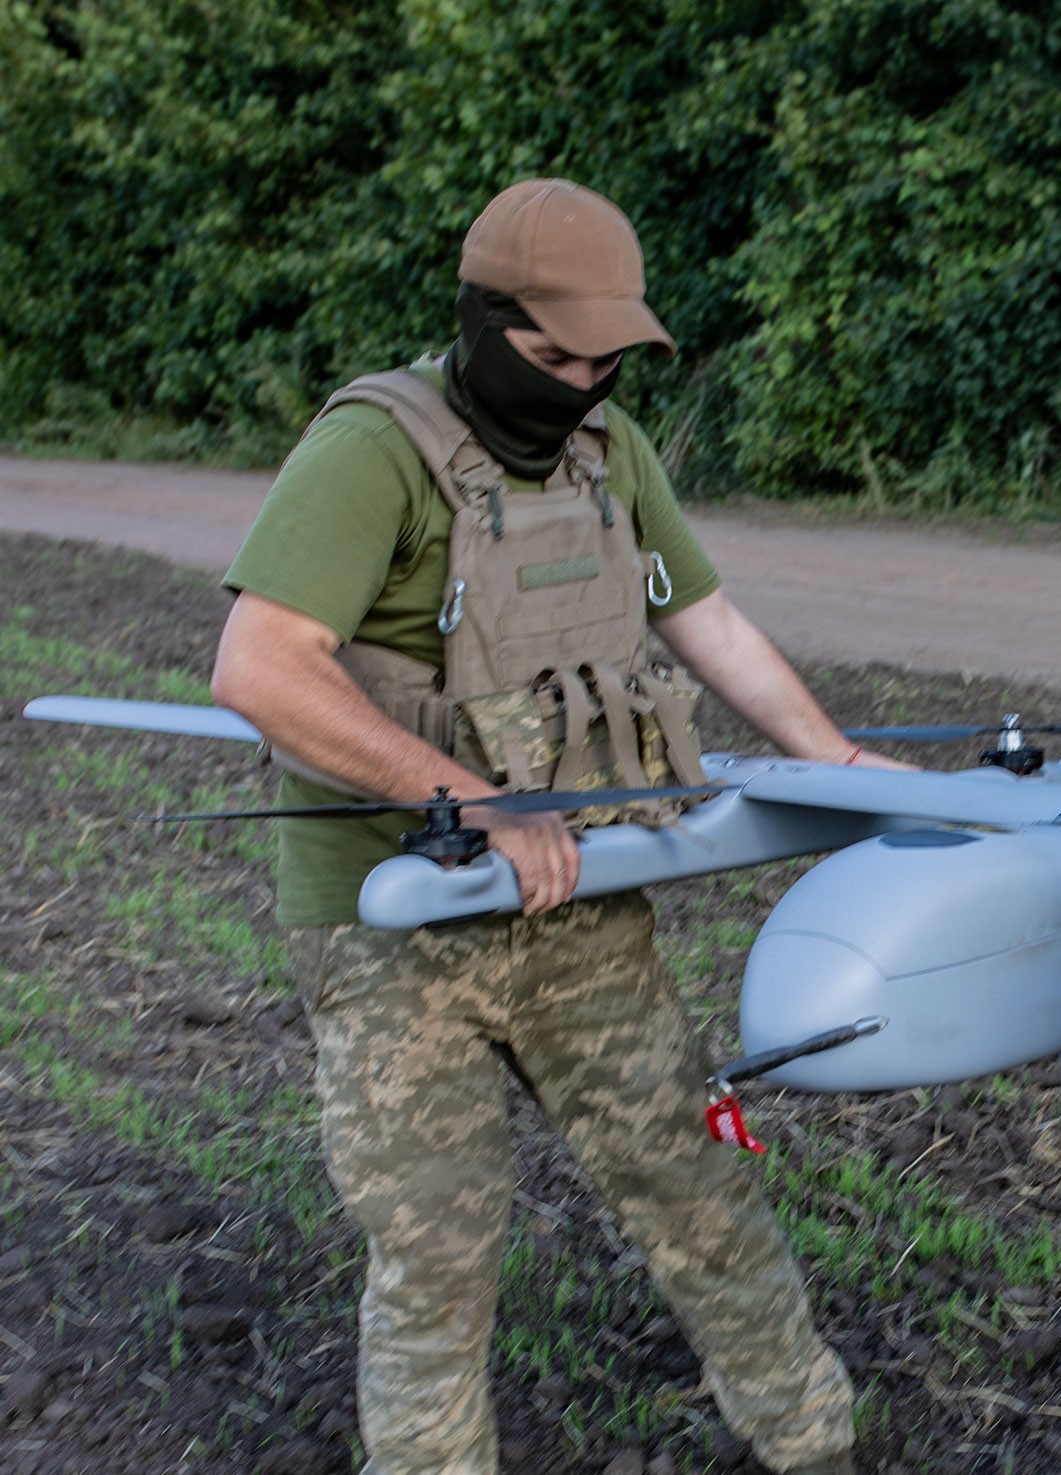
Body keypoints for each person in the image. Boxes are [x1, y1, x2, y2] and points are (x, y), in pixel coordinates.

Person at [211, 178, 898, 1475]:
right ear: (480, 321)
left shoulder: (609, 451)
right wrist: (470, 797)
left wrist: (843, 762)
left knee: (702, 1191)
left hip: (584, 905)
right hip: (394, 931)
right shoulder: (373, 450)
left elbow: (710, 627)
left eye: (605, 359)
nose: (581, 382)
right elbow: (259, 666)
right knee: (440, 1250)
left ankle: (814, 1446)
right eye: (551, 356)